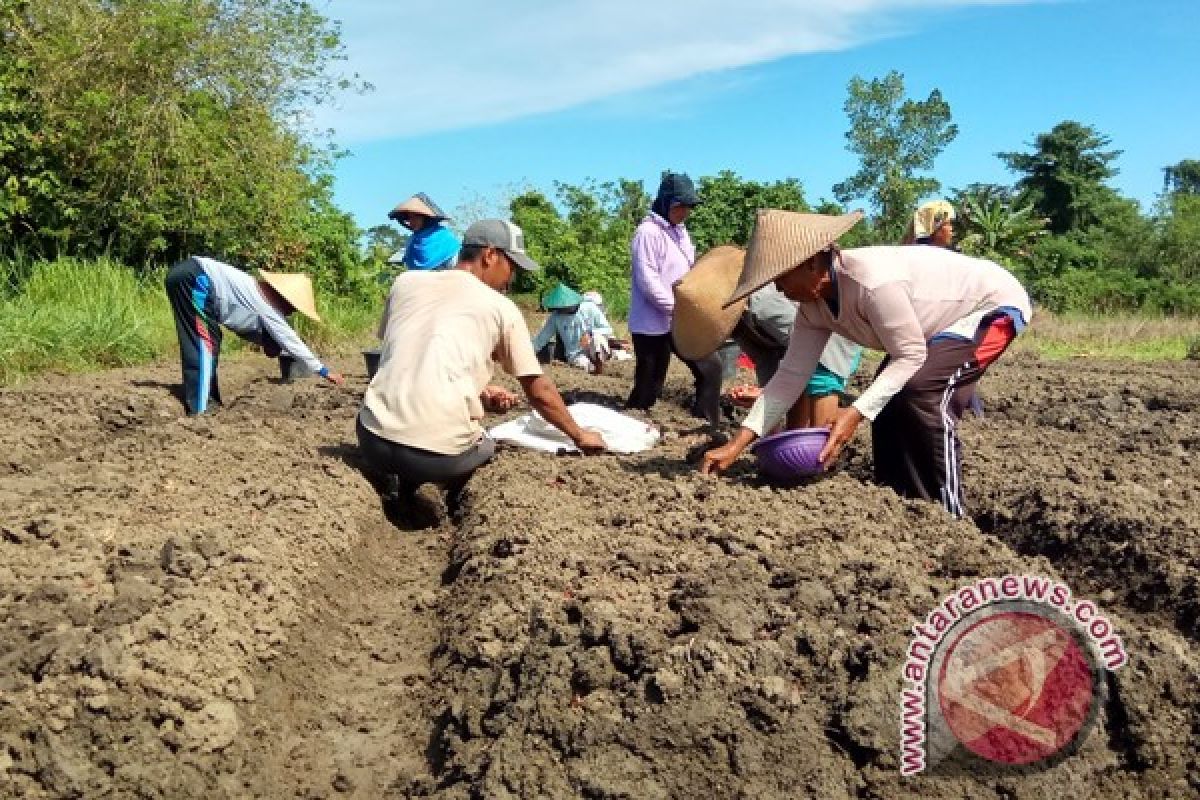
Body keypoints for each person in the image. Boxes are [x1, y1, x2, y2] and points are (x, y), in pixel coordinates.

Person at [701, 209, 1032, 518]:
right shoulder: (812, 308)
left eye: (781, 278)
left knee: (921, 394)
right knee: (887, 404)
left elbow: (910, 355)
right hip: (931, 327)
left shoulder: (871, 284)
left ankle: (948, 515)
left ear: (812, 264)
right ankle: (900, 503)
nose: (778, 289)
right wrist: (737, 445)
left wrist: (854, 414)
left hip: (991, 306)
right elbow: (790, 377)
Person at [357, 219, 606, 513]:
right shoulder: (501, 307)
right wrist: (580, 435)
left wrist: (480, 390)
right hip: (438, 457)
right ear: (490, 255)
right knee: (488, 444)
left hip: (371, 437)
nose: (510, 280)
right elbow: (538, 391)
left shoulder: (406, 282)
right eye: (511, 267)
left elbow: (408, 353)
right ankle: (438, 486)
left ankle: (399, 482)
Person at [673, 246, 863, 430]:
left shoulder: (763, 303)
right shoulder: (736, 323)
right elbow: (766, 359)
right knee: (794, 433)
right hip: (798, 355)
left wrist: (769, 394)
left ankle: (838, 434)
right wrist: (765, 403)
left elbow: (804, 355)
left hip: (828, 345)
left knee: (818, 422)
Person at [164, 257, 345, 415]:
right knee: (205, 343)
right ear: (286, 299)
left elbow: (242, 326)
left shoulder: (252, 291)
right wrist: (325, 372)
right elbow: (292, 342)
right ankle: (201, 408)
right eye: (293, 308)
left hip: (190, 274)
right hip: (196, 278)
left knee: (209, 339)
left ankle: (208, 400)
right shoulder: (268, 307)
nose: (291, 313)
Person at [626, 172, 723, 428]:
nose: (685, 212)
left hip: (680, 318)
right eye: (680, 205)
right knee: (650, 383)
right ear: (666, 202)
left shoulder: (681, 233)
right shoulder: (647, 233)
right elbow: (648, 281)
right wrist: (675, 308)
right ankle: (634, 419)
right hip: (652, 321)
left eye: (689, 207)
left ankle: (706, 419)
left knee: (710, 366)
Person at [531, 283, 616, 373]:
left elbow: (608, 329)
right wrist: (528, 351)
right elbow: (542, 338)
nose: (560, 310)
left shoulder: (590, 308)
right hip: (575, 354)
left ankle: (599, 361)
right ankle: (594, 369)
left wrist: (590, 333)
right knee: (584, 365)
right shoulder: (556, 317)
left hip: (592, 346)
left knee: (597, 339)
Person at [387, 193, 462, 271]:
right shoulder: (412, 241)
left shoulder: (446, 240)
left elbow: (456, 270)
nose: (411, 221)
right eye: (409, 218)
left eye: (415, 217)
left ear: (426, 218)